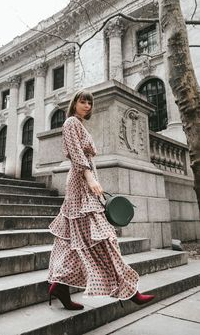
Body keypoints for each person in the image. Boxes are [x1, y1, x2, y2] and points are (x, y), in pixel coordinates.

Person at [47, 90, 155, 310]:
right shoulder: (70, 123)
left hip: (85, 182)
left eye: (90, 102)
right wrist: (90, 178)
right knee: (105, 237)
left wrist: (93, 179)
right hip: (80, 183)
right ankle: (130, 292)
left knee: (75, 239)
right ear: (74, 103)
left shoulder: (79, 124)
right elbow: (76, 153)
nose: (87, 105)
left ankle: (60, 285)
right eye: (82, 101)